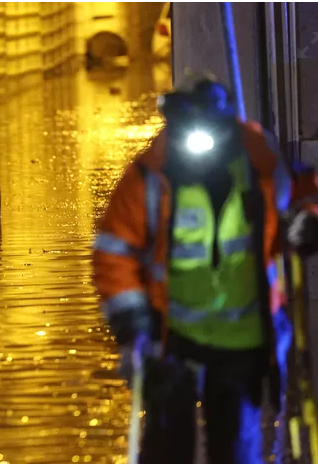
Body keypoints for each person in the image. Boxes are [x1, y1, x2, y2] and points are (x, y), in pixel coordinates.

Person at [91, 75, 318, 464]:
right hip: (172, 343)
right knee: (167, 449)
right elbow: (114, 250)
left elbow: (303, 191)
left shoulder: (258, 160)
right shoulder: (151, 174)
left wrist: (308, 222)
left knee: (237, 450)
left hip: (243, 344)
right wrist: (132, 322)